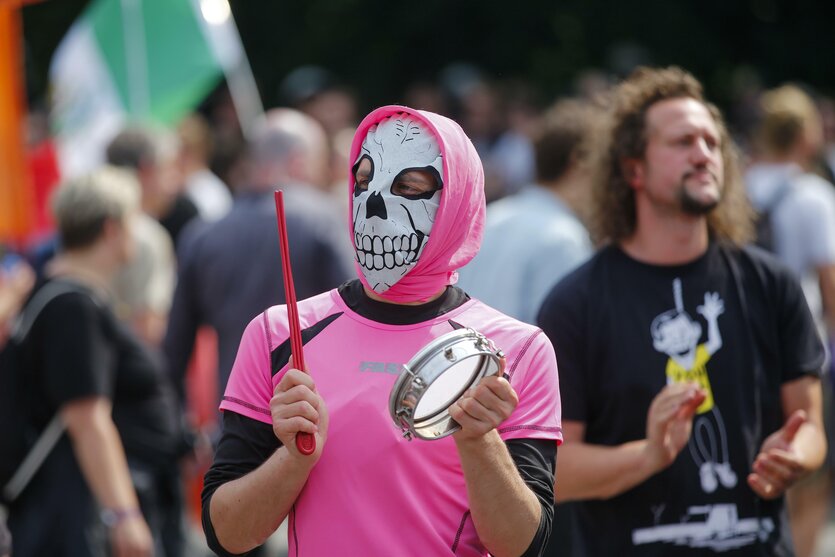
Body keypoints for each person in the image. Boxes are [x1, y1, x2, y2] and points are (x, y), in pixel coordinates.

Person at [201, 105, 562, 556]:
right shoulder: (281, 333)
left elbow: (522, 546)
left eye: (409, 187)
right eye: (363, 181)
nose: (373, 204)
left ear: (457, 202)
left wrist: (479, 439)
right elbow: (227, 535)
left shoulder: (515, 349)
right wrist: (294, 459)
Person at [537, 67, 827, 556]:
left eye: (713, 143)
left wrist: (794, 457)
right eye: (683, 142)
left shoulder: (770, 283)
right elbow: (553, 474)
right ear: (633, 170)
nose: (704, 154)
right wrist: (650, 454)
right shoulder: (576, 303)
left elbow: (810, 425)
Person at [7, 166, 182, 556]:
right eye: (133, 219)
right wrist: (124, 515)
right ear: (111, 229)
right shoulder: (73, 305)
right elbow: (87, 418)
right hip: (75, 512)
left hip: (78, 505)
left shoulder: (65, 295)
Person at [163, 108, 353, 429]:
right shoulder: (328, 221)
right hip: (314, 421)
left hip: (234, 423)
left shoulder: (203, 235)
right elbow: (358, 313)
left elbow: (174, 350)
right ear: (298, 160)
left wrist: (179, 429)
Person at [745, 84, 835, 557]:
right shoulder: (812, 194)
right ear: (804, 133)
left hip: (743, 343)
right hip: (802, 351)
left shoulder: (741, 184)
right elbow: (829, 281)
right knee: (808, 477)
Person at [457, 99, 595, 325]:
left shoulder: (492, 215)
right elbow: (559, 335)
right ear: (578, 164)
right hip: (517, 359)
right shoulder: (564, 237)